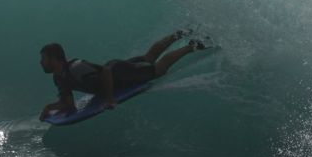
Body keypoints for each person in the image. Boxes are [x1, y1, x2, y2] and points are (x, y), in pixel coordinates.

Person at [39, 30, 207, 120]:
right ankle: (178, 34)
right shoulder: (59, 78)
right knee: (147, 58)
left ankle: (191, 46)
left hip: (120, 73)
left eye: (44, 59)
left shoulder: (75, 67)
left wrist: (110, 98)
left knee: (157, 69)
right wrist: (49, 108)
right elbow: (69, 104)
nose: (41, 62)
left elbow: (105, 71)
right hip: (118, 74)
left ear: (55, 58)